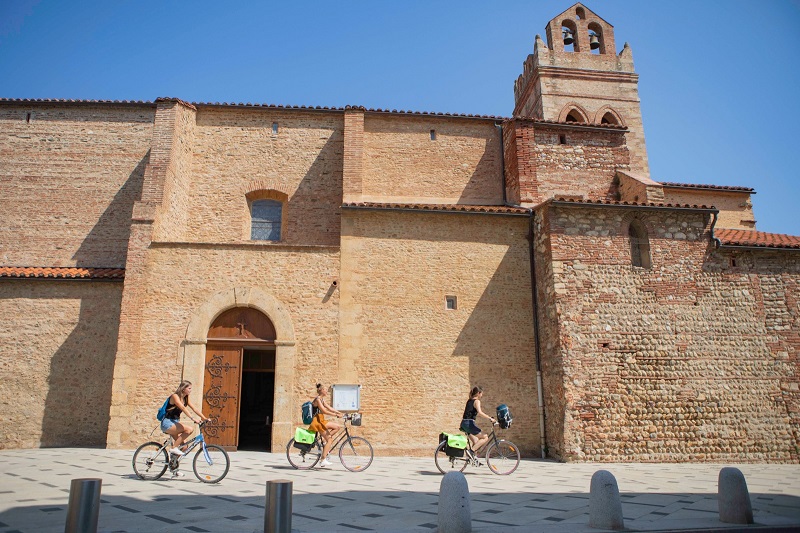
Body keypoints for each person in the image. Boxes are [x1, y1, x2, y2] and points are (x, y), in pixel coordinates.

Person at [161, 380, 208, 476]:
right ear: (183, 388)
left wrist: (204, 418)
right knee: (189, 429)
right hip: (167, 423)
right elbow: (182, 408)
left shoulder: (186, 398)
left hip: (174, 423)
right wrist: (193, 418)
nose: (190, 390)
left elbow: (194, 408)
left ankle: (174, 466)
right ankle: (173, 448)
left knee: (184, 446)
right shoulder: (175, 396)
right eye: (189, 388)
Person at [308, 383, 343, 468]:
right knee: (330, 440)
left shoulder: (322, 399)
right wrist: (335, 415)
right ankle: (323, 460)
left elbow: (329, 408)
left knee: (337, 427)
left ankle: (323, 441)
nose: (327, 391)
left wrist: (339, 412)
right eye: (325, 390)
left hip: (321, 420)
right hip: (317, 422)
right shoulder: (318, 399)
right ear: (321, 390)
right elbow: (324, 411)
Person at [460, 386, 495, 453]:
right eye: (481, 393)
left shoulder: (469, 400)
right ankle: (471, 451)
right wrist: (490, 418)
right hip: (469, 423)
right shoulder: (476, 401)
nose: (482, 395)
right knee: (485, 437)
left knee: (476, 442)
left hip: (464, 423)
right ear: (478, 393)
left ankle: (473, 460)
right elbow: (480, 412)